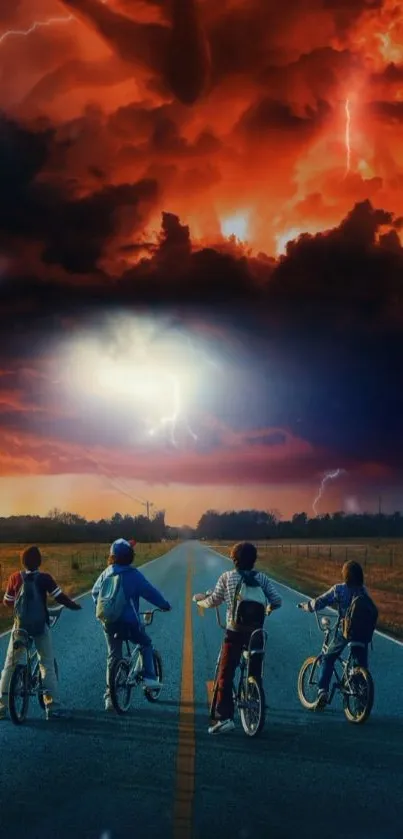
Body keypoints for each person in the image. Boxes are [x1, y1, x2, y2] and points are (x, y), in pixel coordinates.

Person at [193, 541, 282, 735]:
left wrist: (200, 601)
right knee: (255, 672)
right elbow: (277, 600)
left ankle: (224, 718)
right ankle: (255, 700)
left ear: (234, 560)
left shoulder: (227, 577)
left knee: (225, 673)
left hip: (235, 632)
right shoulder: (263, 579)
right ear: (254, 560)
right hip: (257, 633)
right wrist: (268, 608)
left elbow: (214, 599)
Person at [0, 545, 82, 720]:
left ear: (22, 562)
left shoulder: (15, 577)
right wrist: (73, 605)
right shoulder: (44, 578)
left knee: (9, 664)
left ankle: (2, 706)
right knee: (46, 663)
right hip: (39, 627)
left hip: (19, 627)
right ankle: (52, 707)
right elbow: (59, 596)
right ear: (39, 562)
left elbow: (7, 602)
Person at [92, 538, 171, 712]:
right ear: (130, 556)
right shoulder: (133, 575)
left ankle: (109, 697)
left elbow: (95, 593)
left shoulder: (106, 573)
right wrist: (164, 605)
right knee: (145, 643)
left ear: (112, 556)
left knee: (113, 656)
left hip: (108, 622)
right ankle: (150, 678)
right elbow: (150, 592)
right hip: (129, 623)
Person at [299, 560, 372, 710]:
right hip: (363, 632)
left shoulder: (339, 589)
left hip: (345, 630)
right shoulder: (363, 590)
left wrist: (307, 606)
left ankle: (322, 692)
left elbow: (320, 602)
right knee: (360, 665)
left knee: (328, 658)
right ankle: (361, 704)